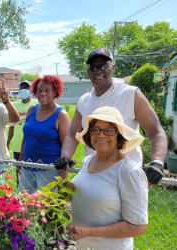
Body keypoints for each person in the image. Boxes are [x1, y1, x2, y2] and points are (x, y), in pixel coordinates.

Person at [55, 48, 167, 187]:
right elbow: (72, 134)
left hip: (126, 177)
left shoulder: (131, 94)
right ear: (88, 72)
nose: (97, 70)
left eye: (103, 65)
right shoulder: (84, 101)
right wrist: (65, 156)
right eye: (92, 67)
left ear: (113, 68)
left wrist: (157, 163)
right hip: (93, 174)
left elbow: (156, 131)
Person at [68, 106, 148, 250]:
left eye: (109, 130)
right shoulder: (88, 161)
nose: (101, 135)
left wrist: (90, 232)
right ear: (89, 134)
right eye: (95, 129)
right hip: (77, 246)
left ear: (119, 135)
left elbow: (137, 227)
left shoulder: (128, 171)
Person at [17, 75, 71, 194]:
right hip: (27, 167)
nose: (42, 94)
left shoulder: (61, 115)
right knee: (22, 205)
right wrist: (19, 163)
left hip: (49, 170)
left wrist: (63, 178)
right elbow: (25, 139)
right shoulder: (32, 109)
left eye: (47, 90)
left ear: (55, 92)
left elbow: (66, 147)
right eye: (40, 90)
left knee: (43, 208)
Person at [7, 80, 39, 185]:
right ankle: (21, 198)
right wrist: (8, 142)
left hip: (32, 145)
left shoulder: (37, 104)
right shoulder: (14, 105)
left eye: (26, 88)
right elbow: (11, 126)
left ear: (31, 90)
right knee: (19, 175)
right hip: (17, 145)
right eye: (21, 88)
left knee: (34, 173)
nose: (24, 90)